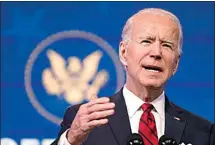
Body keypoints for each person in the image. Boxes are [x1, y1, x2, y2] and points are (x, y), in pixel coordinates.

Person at [51, 8, 213, 145]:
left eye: (167, 45)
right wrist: (71, 139)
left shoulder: (203, 132)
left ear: (175, 64)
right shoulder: (84, 121)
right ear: (123, 52)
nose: (156, 53)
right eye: (146, 41)